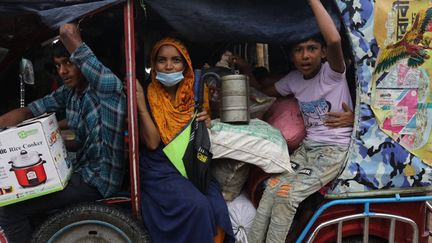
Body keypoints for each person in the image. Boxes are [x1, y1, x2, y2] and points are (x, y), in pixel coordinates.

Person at [0, 22, 126, 242]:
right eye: (58, 66)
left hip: (98, 179)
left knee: (9, 211)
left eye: (68, 63)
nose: (63, 72)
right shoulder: (71, 93)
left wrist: (62, 15)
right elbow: (32, 109)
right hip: (80, 170)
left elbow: (67, 31)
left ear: (85, 62)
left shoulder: (107, 89)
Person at [248, 0, 354, 242]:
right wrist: (247, 70)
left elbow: (335, 40)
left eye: (312, 48)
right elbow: (264, 91)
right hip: (308, 149)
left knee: (287, 195)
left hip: (333, 151)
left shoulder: (333, 74)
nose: (306, 55)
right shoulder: (294, 80)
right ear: (292, 57)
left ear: (323, 52)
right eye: (299, 50)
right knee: (271, 189)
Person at [136, 37, 234, 243]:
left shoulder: (196, 91)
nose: (169, 66)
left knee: (216, 207)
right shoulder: (146, 94)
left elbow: (203, 126)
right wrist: (141, 106)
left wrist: (205, 121)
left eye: (176, 60)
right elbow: (152, 142)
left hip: (191, 163)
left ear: (186, 63)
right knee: (197, 206)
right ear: (153, 65)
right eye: (162, 60)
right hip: (159, 166)